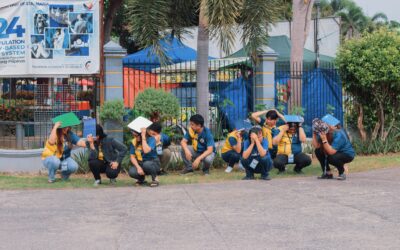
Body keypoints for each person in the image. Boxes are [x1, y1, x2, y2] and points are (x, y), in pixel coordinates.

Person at [312, 114, 355, 180]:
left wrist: (324, 140)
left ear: (332, 125)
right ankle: (327, 173)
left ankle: (341, 173)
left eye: (325, 124)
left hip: (347, 154)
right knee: (318, 151)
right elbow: (316, 146)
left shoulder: (339, 134)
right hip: (335, 152)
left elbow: (331, 152)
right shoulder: (326, 131)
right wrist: (314, 133)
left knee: (331, 157)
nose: (322, 126)